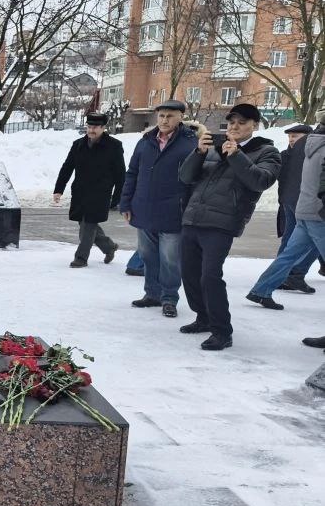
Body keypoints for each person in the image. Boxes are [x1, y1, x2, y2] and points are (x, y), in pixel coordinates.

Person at [178, 103, 280, 350]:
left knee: (210, 276)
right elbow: (185, 177)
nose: (235, 127)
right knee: (189, 274)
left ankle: (222, 331)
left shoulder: (267, 152)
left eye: (242, 123)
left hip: (222, 222)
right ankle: (203, 317)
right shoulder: (214, 147)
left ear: (255, 125)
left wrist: (236, 155)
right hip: (193, 218)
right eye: (232, 122)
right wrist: (198, 153)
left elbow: (260, 181)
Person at [119, 100, 197, 318]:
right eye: (161, 116)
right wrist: (125, 203)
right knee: (148, 256)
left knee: (170, 259)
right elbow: (132, 173)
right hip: (144, 209)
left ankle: (169, 298)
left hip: (173, 211)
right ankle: (152, 293)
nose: (164, 120)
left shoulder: (190, 143)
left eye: (170, 116)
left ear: (181, 117)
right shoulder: (146, 142)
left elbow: (196, 179)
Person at [245, 120, 325, 312]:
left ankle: (261, 290)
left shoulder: (308, 143)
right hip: (319, 213)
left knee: (288, 256)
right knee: (290, 255)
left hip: (305, 208)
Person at [53, 113, 125, 268]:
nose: (92, 130)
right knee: (85, 224)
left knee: (89, 225)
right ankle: (109, 247)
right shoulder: (78, 144)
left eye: (96, 127)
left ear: (103, 128)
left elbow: (120, 174)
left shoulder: (114, 146)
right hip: (80, 192)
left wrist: (117, 197)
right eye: (89, 126)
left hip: (100, 193)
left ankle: (81, 258)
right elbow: (67, 168)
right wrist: (59, 189)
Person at [274, 123, 319, 294]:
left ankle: (282, 276)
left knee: (292, 240)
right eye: (290, 136)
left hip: (296, 202)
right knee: (310, 240)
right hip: (296, 203)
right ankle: (294, 275)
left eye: (295, 136)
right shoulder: (288, 155)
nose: (292, 139)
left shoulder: (299, 154)